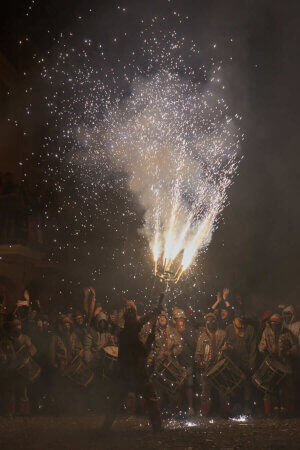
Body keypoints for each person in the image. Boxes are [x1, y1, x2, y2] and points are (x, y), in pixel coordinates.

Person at [102, 299, 162, 432]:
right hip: (136, 375)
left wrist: (153, 312)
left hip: (124, 374)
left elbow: (140, 322)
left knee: (115, 400)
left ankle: (105, 426)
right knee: (151, 398)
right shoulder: (131, 335)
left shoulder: (124, 332)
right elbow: (144, 352)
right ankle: (158, 428)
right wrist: (149, 341)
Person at [258, 313, 297, 417]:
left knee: (287, 389)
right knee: (269, 388)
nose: (274, 326)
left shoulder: (287, 333)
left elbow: (295, 347)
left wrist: (289, 352)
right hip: (271, 363)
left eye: (277, 324)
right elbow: (261, 345)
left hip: (285, 364)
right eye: (273, 324)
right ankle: (270, 412)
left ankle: (288, 412)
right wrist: (263, 349)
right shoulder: (266, 332)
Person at [0, 314, 38, 416]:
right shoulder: (5, 340)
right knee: (10, 391)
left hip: (23, 369)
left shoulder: (25, 338)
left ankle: (23, 411)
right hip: (10, 369)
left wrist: (29, 350)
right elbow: (3, 353)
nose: (18, 328)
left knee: (23, 391)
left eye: (19, 326)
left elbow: (33, 350)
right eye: (15, 326)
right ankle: (9, 411)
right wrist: (3, 357)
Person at [195, 312, 229, 417]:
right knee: (205, 391)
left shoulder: (222, 334)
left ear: (216, 322)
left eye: (213, 320)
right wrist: (200, 362)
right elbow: (198, 353)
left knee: (223, 389)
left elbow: (230, 345)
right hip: (207, 367)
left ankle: (225, 412)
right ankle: (205, 412)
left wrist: (227, 348)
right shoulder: (202, 337)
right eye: (208, 320)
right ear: (206, 323)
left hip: (221, 366)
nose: (211, 323)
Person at [226, 309, 257, 414]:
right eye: (238, 316)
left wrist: (252, 363)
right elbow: (226, 344)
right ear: (234, 318)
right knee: (234, 384)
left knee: (246, 383)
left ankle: (247, 406)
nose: (240, 318)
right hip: (233, 362)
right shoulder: (229, 329)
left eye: (242, 316)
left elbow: (253, 348)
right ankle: (235, 405)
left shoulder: (249, 329)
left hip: (246, 361)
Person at [173, 307, 196, 415]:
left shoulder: (190, 330)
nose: (179, 320)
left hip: (188, 361)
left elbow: (193, 344)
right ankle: (178, 408)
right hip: (176, 362)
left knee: (189, 385)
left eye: (181, 318)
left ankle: (190, 408)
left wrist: (183, 334)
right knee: (177, 386)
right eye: (177, 318)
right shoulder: (172, 330)